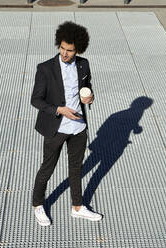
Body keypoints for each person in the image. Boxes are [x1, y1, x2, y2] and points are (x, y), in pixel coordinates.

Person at [30, 21, 102, 226]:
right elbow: (36, 100)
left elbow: (86, 87)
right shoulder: (45, 69)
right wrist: (59, 110)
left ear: (77, 49)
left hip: (78, 126)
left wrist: (89, 97)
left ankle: (77, 207)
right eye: (62, 48)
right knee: (47, 167)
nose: (64, 53)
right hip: (56, 127)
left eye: (69, 50)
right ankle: (38, 205)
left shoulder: (83, 64)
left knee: (76, 169)